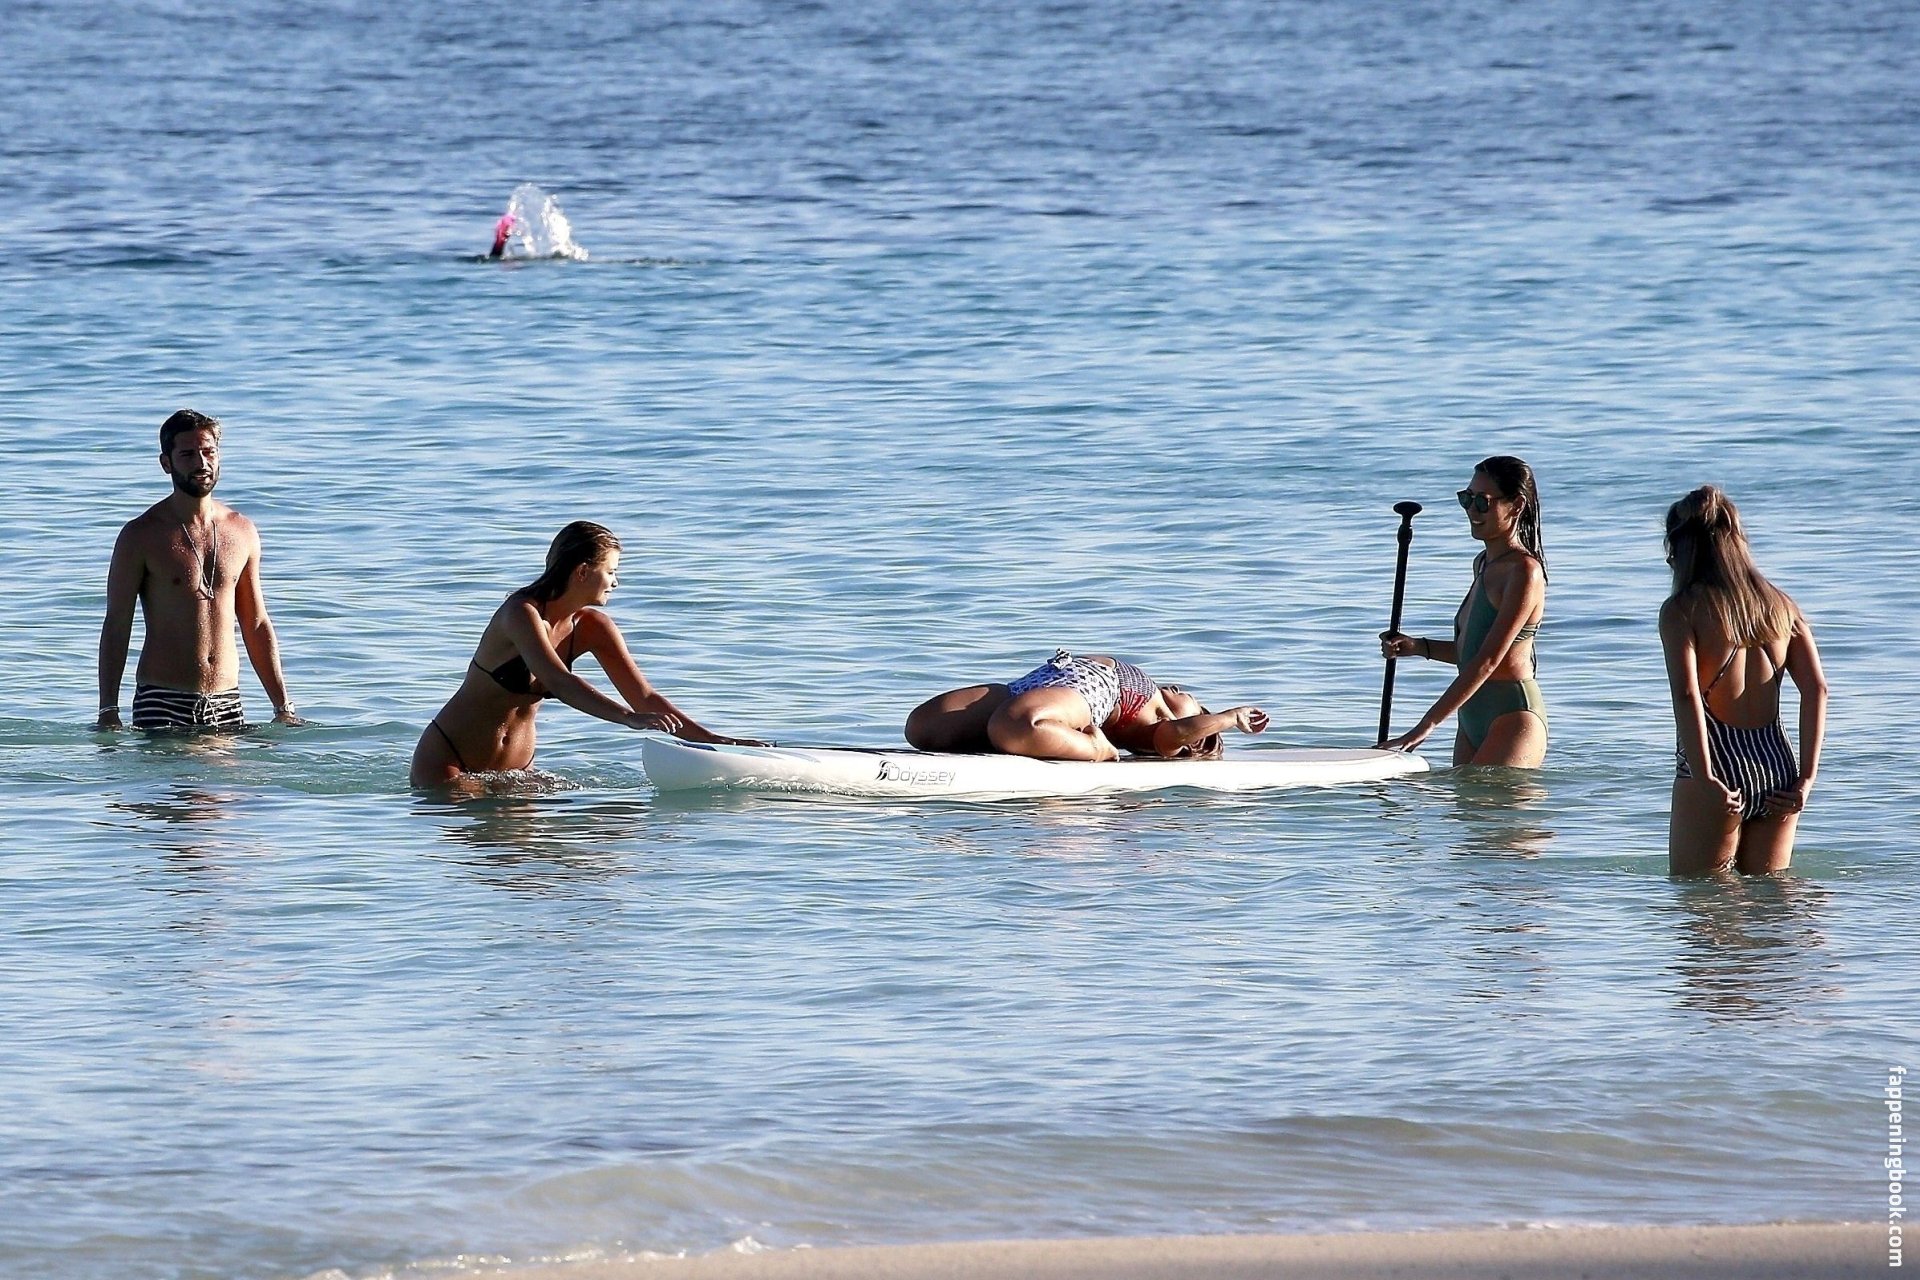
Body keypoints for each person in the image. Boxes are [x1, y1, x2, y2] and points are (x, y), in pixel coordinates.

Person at [410, 521, 762, 788]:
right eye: (611, 571)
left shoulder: (594, 627)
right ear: (582, 571)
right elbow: (558, 681)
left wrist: (714, 741)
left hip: (515, 775)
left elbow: (644, 696)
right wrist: (627, 718)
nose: (615, 582)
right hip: (449, 763)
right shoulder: (520, 614)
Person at [1659, 486, 1826, 875]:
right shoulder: (1781, 606)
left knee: (1702, 899)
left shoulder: (1682, 610)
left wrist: (1704, 777)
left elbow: (1687, 695)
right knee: (1771, 896)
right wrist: (1806, 778)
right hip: (1776, 764)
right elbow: (1816, 689)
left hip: (1716, 762)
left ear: (1682, 548)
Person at [97, 409, 299, 731]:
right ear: (166, 463)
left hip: (227, 701)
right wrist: (108, 709)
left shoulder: (241, 530)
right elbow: (117, 623)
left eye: (208, 452)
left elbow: (256, 623)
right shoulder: (141, 535)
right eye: (188, 454)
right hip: (162, 699)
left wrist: (282, 706)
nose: (201, 463)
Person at [1378, 456, 1548, 767]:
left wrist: (1425, 726)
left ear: (1516, 505)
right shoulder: (1482, 564)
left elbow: (1488, 661)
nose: (1472, 510)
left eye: (1483, 502)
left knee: (1492, 799)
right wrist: (1418, 647)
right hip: (1471, 716)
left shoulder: (1524, 572)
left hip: (1512, 716)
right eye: (1466, 499)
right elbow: (1470, 652)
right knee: (1464, 800)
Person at [903, 649, 1269, 761]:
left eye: (1197, 702)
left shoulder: (1165, 731)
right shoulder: (1164, 703)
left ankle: (1095, 749)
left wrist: (1229, 718)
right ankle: (1012, 741)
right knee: (922, 728)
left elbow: (1177, 734)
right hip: (1043, 681)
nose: (1184, 691)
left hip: (1092, 694)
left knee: (1015, 725)